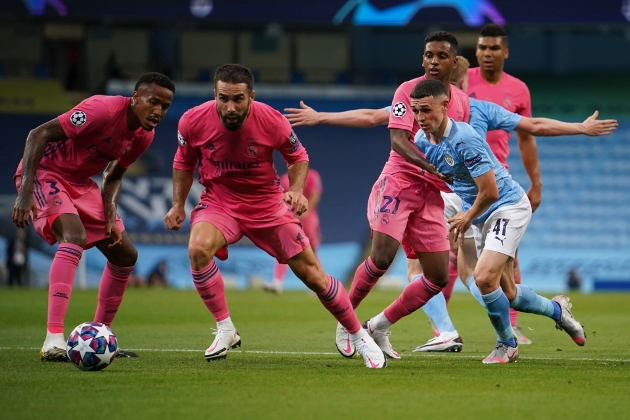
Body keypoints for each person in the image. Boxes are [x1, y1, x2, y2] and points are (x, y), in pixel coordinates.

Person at [285, 56, 616, 353]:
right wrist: (321, 116)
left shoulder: (477, 111)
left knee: (478, 277)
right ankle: (440, 329)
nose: (451, 80)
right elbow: (376, 117)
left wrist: (581, 128)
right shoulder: (421, 111)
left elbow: (533, 126)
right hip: (451, 193)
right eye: (431, 59)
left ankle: (487, 337)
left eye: (451, 71)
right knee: (475, 280)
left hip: (486, 198)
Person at [163, 64, 386, 368]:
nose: (230, 107)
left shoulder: (271, 120)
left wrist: (296, 190)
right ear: (215, 94)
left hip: (266, 204)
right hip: (220, 201)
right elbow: (183, 162)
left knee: (314, 276)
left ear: (251, 97)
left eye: (238, 99)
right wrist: (177, 205)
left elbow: (298, 156)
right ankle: (225, 328)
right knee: (197, 249)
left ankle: (358, 335)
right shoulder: (192, 121)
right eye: (223, 98)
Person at [408, 78, 585, 363]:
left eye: (426, 110)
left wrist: (466, 216)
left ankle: (506, 344)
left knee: (482, 278)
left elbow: (490, 191)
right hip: (480, 214)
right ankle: (557, 310)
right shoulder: (420, 140)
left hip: (506, 206)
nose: (420, 117)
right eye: (416, 111)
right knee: (508, 293)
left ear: (445, 105)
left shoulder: (464, 138)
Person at [12, 72, 175, 361]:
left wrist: (110, 216)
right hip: (45, 172)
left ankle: (100, 338)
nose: (158, 111)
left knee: (125, 255)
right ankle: (53, 340)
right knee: (74, 235)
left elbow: (113, 176)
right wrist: (25, 193)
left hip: (80, 183)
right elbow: (38, 134)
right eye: (153, 102)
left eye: (165, 106)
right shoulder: (102, 110)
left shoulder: (143, 136)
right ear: (135, 97)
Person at [329, 31, 469, 360]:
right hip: (399, 182)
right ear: (422, 59)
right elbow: (398, 140)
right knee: (381, 258)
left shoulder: (462, 102)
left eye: (442, 56)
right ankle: (346, 321)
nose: (434, 61)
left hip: (431, 193)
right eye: (429, 55)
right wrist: (432, 166)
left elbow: (458, 144)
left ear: (454, 63)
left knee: (437, 276)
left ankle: (378, 326)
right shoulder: (407, 91)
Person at [467, 23, 538, 344]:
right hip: (460, 183)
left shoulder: (518, 90)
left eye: (494, 48)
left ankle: (513, 324)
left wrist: (536, 183)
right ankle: (444, 331)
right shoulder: (462, 80)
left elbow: (526, 137)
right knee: (452, 258)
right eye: (482, 47)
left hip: (499, 186)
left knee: (508, 256)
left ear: (505, 52)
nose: (487, 53)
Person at [263, 169, 323, 294]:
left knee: (311, 250)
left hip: (308, 219)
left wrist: (307, 210)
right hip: (289, 217)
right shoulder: (284, 178)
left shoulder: (312, 175)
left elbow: (315, 193)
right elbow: (279, 196)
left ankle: (320, 283)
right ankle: (277, 282)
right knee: (283, 248)